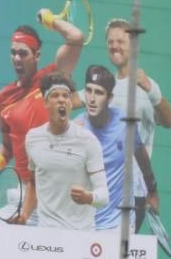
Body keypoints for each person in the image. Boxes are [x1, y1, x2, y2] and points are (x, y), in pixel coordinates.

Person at [0, 12, 85, 215]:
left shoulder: (53, 79)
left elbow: (76, 38)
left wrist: (50, 20)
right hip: (21, 191)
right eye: (13, 53)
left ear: (36, 55)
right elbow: (7, 146)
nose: (17, 59)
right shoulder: (3, 98)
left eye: (23, 53)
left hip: (55, 191)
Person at [104, 18, 171, 229]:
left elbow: (168, 121)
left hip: (134, 193)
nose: (115, 46)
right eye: (110, 41)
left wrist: (150, 90)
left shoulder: (147, 85)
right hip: (103, 189)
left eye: (121, 41)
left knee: (118, 256)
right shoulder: (103, 87)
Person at [21, 72, 107, 229]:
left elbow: (104, 195)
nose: (61, 99)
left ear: (70, 104)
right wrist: (24, 216)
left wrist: (89, 197)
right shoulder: (33, 139)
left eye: (66, 96)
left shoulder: (88, 141)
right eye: (55, 96)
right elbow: (33, 183)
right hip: (46, 236)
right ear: (46, 103)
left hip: (81, 236)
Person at [76, 65, 158, 230]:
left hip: (118, 224)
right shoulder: (76, 129)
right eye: (88, 91)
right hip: (84, 223)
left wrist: (152, 190)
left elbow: (142, 159)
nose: (91, 99)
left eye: (98, 93)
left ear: (110, 98)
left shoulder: (124, 124)